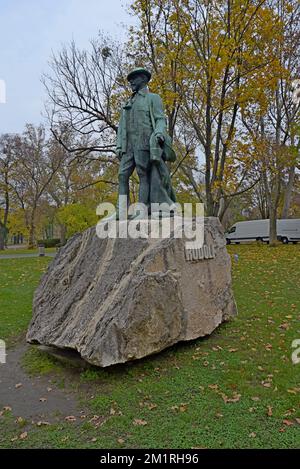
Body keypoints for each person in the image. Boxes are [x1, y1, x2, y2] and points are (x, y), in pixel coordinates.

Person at [116, 67, 176, 217]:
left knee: (143, 174)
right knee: (122, 175)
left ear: (143, 79)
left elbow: (160, 119)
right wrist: (119, 146)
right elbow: (121, 127)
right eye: (130, 80)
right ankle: (121, 211)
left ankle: (142, 210)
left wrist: (159, 133)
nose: (131, 82)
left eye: (134, 78)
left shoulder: (153, 98)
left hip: (144, 142)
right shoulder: (127, 103)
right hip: (128, 145)